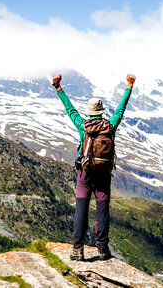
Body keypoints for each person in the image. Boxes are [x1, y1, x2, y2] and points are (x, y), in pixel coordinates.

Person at [52, 72, 135, 261]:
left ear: (90, 112)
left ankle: (78, 250)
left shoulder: (83, 125)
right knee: (102, 209)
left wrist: (58, 87)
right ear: (102, 111)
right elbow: (121, 109)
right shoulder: (110, 125)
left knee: (81, 208)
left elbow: (70, 109)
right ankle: (103, 249)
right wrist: (129, 86)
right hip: (103, 173)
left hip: (85, 173)